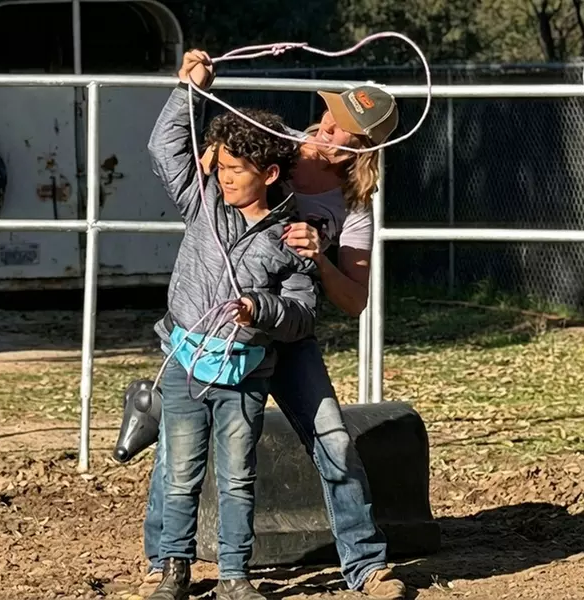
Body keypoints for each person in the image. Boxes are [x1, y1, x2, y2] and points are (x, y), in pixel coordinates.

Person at [140, 64, 408, 600]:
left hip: (283, 328)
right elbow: (203, 157)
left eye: (340, 134)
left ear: (365, 149)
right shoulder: (274, 146)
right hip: (217, 326)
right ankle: (163, 561)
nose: (323, 134)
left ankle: (366, 566)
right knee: (178, 449)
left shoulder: (353, 209)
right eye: (326, 120)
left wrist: (319, 259)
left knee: (331, 435)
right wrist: (194, 100)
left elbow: (354, 299)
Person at [144, 49, 320, 600]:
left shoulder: (291, 237)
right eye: (219, 168)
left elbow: (302, 312)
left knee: (239, 475)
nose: (222, 179)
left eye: (235, 172)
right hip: (185, 363)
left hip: (244, 373)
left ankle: (235, 575)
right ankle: (173, 568)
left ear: (268, 174)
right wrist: (188, 91)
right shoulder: (203, 204)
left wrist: (259, 310)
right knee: (179, 472)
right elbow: (163, 147)